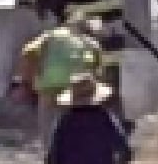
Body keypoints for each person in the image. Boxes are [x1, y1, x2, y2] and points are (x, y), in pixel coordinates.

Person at [8, 19, 102, 148]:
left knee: (49, 128)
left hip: (49, 87)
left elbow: (28, 54)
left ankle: (51, 155)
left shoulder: (52, 35)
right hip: (76, 90)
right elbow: (97, 73)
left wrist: (27, 83)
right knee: (77, 127)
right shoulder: (92, 43)